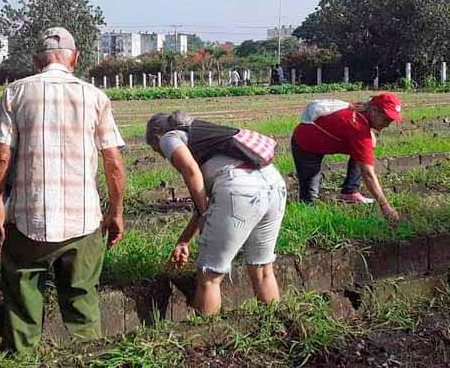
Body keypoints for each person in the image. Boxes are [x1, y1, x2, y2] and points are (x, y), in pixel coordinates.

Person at [0, 27, 126, 352]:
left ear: (37, 61)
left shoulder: (15, 93)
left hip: (27, 219)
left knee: (21, 306)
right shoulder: (96, 97)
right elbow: (113, 161)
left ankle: (23, 357)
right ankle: (91, 357)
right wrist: (115, 211)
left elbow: (1, 156)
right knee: (82, 304)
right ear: (74, 59)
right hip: (84, 222)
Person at [146, 111, 285, 315]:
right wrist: (185, 240)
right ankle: (277, 325)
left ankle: (206, 341)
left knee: (209, 275)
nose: (161, 154)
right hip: (274, 184)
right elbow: (207, 198)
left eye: (155, 149)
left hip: (240, 189)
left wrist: (204, 216)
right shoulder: (211, 137)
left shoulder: (169, 138)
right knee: (262, 268)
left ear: (157, 137)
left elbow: (191, 172)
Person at [291, 93, 402, 221]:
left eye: (391, 120)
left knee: (367, 147)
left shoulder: (362, 114)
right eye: (386, 119)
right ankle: (307, 222)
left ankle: (350, 191)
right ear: (374, 110)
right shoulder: (357, 126)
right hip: (306, 145)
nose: (388, 124)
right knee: (309, 198)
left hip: (328, 139)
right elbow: (369, 175)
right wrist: (385, 206)